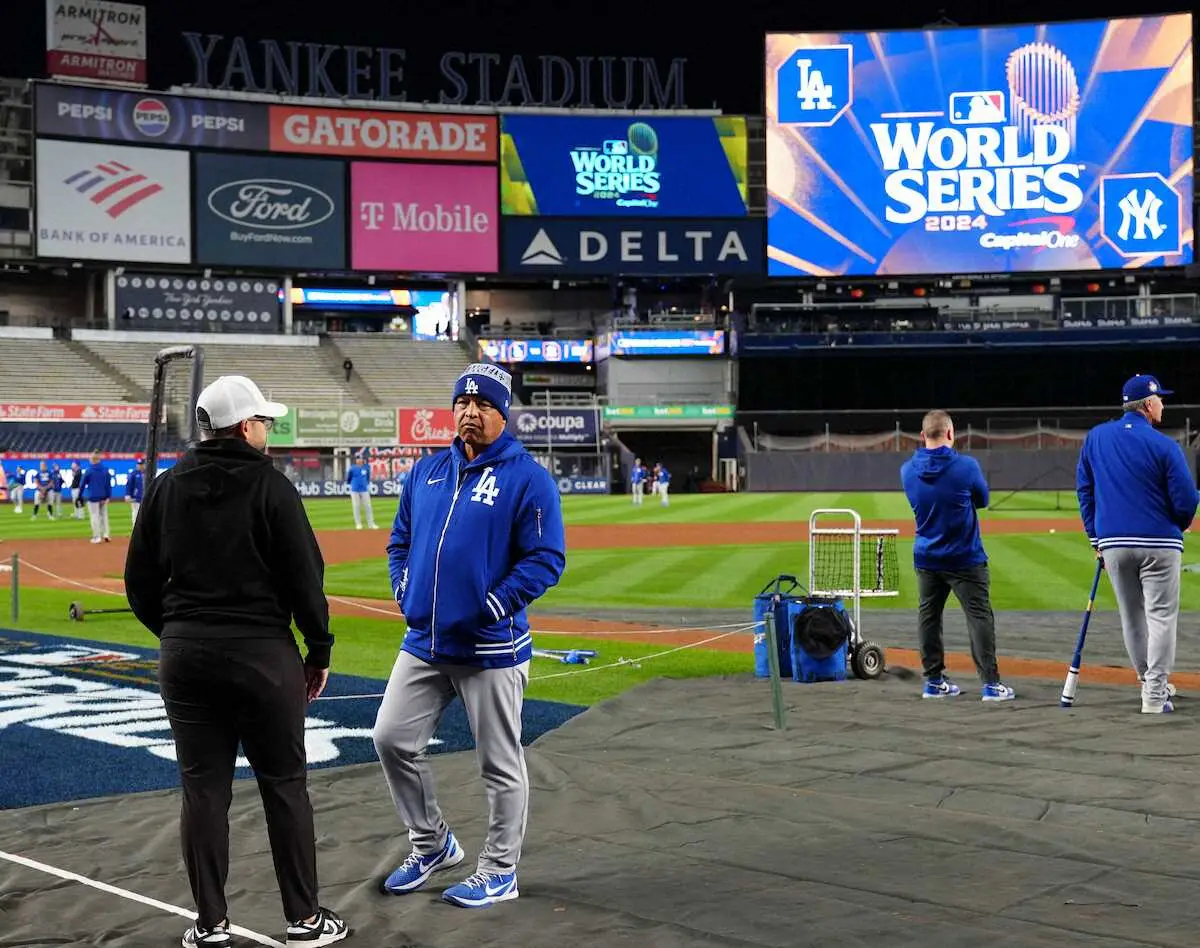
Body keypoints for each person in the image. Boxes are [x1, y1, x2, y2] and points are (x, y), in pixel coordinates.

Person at [124, 375, 350, 947]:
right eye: (263, 422)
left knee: (202, 790)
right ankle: (304, 920)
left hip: (187, 656)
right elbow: (306, 581)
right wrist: (317, 650)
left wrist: (175, 632)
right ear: (245, 426)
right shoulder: (272, 488)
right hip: (262, 656)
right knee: (284, 785)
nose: (267, 431)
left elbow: (138, 581)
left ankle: (211, 926)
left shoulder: (166, 487)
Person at [374, 362, 566, 909]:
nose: (470, 412)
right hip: (425, 641)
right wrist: (404, 589)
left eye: (482, 405)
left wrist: (492, 604)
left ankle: (500, 870)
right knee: (390, 739)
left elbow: (547, 558)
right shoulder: (427, 472)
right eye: (462, 403)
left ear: (502, 413)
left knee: (499, 763)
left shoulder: (528, 477)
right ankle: (432, 843)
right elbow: (399, 542)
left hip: (490, 647)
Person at [1076, 374, 1199, 714]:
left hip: (1114, 543)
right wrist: (1180, 523)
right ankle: (1155, 695)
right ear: (1147, 404)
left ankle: (1148, 683)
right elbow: (1187, 499)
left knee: (1132, 617)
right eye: (1160, 399)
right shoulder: (1164, 445)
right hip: (1160, 542)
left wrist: (1094, 537)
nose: (1163, 404)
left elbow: (1084, 490)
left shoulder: (1096, 437)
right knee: (1160, 617)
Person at [900, 410, 1015, 702]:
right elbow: (983, 500)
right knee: (978, 617)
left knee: (928, 616)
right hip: (965, 557)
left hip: (927, 556)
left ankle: (934, 681)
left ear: (923, 436)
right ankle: (990, 684)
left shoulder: (907, 470)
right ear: (951, 434)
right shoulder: (966, 467)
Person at [79, 451, 112, 543]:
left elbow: (82, 484)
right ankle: (106, 534)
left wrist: (79, 496)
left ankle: (97, 537)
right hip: (103, 496)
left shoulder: (89, 470)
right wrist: (108, 496)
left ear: (93, 459)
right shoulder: (105, 470)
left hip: (93, 497)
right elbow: (108, 485)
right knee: (104, 516)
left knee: (94, 516)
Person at [345, 452, 377, 530]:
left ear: (363, 459)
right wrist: (352, 484)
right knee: (356, 507)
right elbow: (348, 478)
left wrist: (366, 484)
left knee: (368, 506)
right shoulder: (352, 468)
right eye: (357, 458)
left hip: (364, 489)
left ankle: (371, 524)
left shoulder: (366, 467)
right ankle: (358, 524)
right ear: (355, 460)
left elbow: (368, 477)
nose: (359, 460)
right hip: (355, 490)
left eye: (360, 458)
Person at [125, 456, 145, 529]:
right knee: (135, 515)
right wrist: (128, 495)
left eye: (141, 464)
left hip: (145, 498)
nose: (140, 465)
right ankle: (135, 531)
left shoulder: (148, 473)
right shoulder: (133, 474)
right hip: (135, 498)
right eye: (139, 464)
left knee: (145, 516)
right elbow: (128, 485)